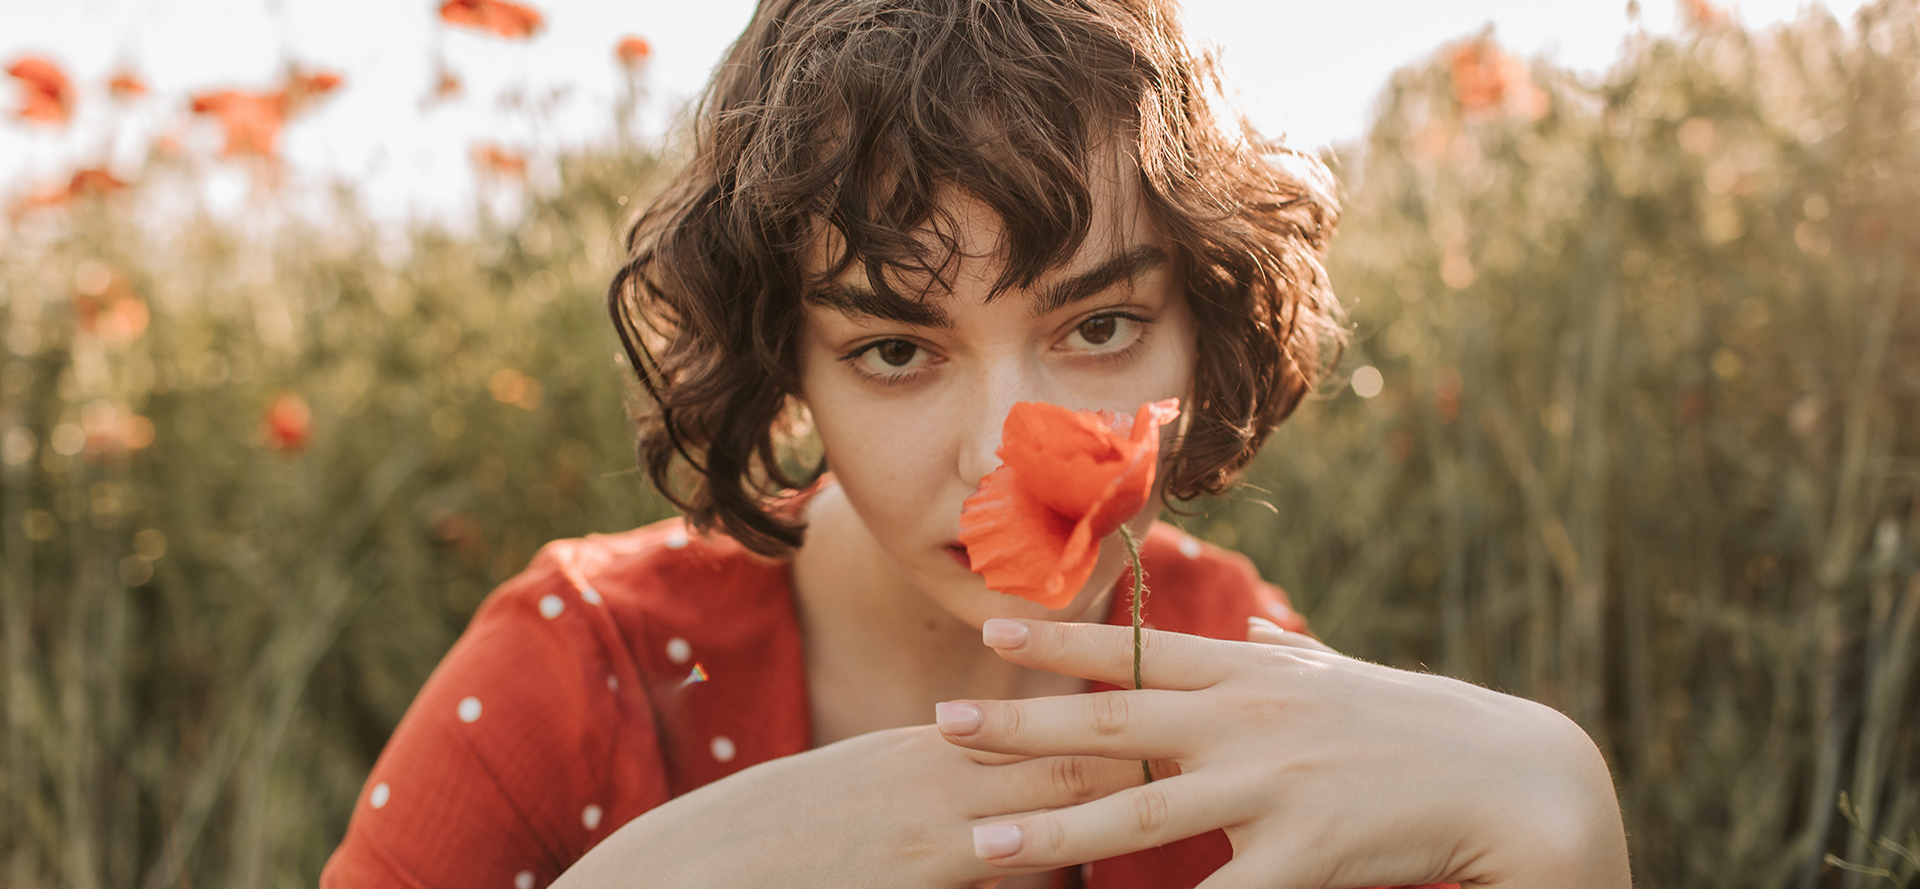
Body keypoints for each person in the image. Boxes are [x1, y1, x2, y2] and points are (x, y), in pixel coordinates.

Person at [322, 0, 1633, 886]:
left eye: (1103, 324)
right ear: (788, 356)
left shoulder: (1244, 678)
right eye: (896, 349)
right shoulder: (575, 672)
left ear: (1203, 325)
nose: (1005, 454)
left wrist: (1563, 823)